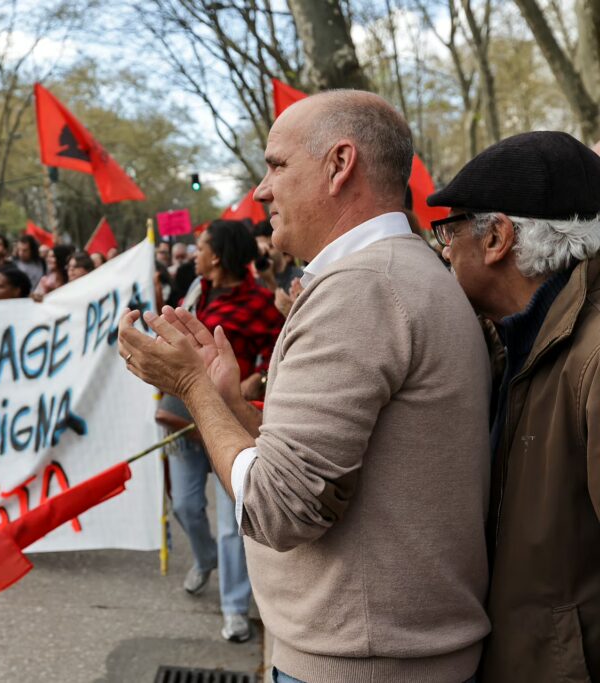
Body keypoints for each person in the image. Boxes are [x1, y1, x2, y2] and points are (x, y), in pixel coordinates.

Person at [118, 90, 492, 682]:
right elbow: (321, 471)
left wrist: (190, 387)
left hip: (362, 662)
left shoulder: (362, 288)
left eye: (276, 165)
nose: (262, 190)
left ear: (341, 165)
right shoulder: (392, 273)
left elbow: (278, 507)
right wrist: (232, 405)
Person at [427, 131, 600, 682]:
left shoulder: (594, 359)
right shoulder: (506, 341)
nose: (444, 248)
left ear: (497, 236)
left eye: (448, 231)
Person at [158, 220, 282, 643]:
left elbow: (281, 348)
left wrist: (259, 380)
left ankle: (234, 607)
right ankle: (205, 559)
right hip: (181, 414)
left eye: (201, 247)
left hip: (228, 421)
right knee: (186, 507)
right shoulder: (194, 294)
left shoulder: (259, 301)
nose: (195, 254)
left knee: (233, 520)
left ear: (219, 255)